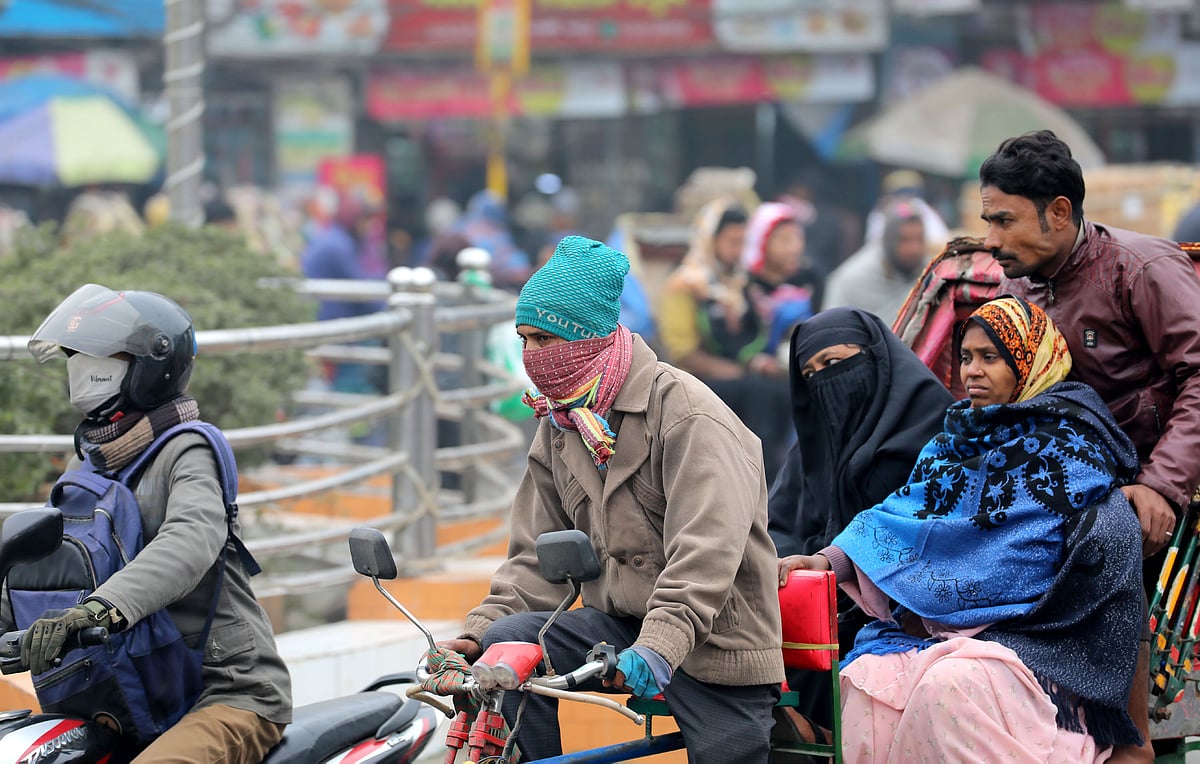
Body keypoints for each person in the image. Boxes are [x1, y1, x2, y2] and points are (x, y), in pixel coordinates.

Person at [432, 235, 785, 762]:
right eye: (523, 339)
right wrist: (478, 635)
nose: (532, 357)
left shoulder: (689, 415)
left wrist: (662, 642)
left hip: (715, 635)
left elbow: (707, 550)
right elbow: (535, 555)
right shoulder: (561, 421)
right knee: (511, 642)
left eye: (545, 341)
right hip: (620, 625)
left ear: (587, 340)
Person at [780, 296, 1145, 762]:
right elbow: (903, 519)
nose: (972, 371)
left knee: (947, 687)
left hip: (1041, 640)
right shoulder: (951, 443)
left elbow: (1106, 558)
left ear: (1031, 363)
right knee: (865, 683)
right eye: (967, 358)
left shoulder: (1074, 448)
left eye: (990, 358)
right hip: (948, 638)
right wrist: (824, 561)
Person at [981, 130, 1200, 760]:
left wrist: (1161, 484)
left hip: (1146, 490)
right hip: (1061, 488)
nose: (991, 239)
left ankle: (1126, 742)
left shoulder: (1142, 269)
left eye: (1004, 220)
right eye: (986, 221)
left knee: (1105, 540)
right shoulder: (1015, 295)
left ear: (1058, 212)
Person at [5, 284, 292, 762]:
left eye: (98, 352)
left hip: (224, 693)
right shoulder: (88, 468)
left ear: (150, 363)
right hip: (126, 698)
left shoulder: (189, 449)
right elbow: (44, 570)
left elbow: (190, 539)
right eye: (75, 353)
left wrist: (99, 610)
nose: (81, 364)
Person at [766, 307, 953, 731]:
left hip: (904, 614)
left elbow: (925, 535)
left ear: (875, 357)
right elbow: (778, 525)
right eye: (811, 374)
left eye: (834, 364)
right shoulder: (814, 445)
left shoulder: (933, 432)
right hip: (810, 611)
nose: (824, 381)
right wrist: (788, 572)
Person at [658, 199, 792, 483]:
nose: (738, 250)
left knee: (784, 390)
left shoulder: (738, 283)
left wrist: (755, 361)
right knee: (760, 393)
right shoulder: (684, 284)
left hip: (739, 376)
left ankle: (781, 480)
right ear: (711, 240)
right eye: (732, 241)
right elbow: (684, 353)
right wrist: (742, 371)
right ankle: (758, 480)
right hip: (693, 380)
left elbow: (746, 339)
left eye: (743, 242)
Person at [823, 200, 927, 325]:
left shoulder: (930, 273)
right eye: (904, 240)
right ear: (888, 241)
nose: (914, 249)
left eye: (919, 240)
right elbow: (830, 328)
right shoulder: (852, 279)